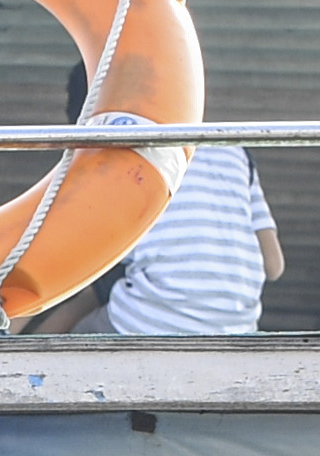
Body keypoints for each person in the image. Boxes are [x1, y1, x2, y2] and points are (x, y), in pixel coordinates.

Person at [38, 65, 283, 335]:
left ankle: (24, 353)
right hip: (238, 327)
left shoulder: (119, 157)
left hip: (151, 319)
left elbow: (79, 265)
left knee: (78, 335)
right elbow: (274, 266)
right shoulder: (234, 150)